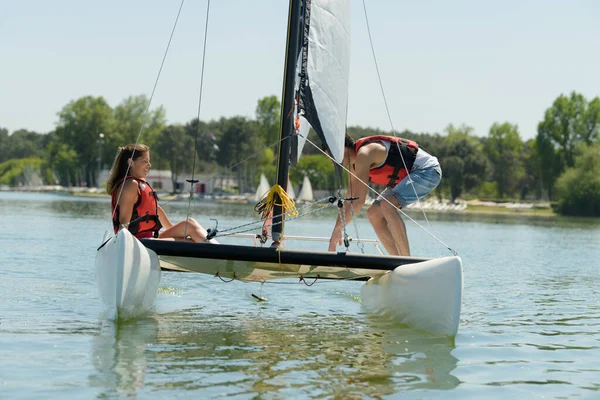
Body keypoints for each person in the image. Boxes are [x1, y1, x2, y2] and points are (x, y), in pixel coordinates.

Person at [328, 134, 441, 256]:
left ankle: (406, 260)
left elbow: (358, 201)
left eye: (330, 156)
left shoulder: (364, 154)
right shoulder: (354, 166)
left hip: (427, 171)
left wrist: (339, 228)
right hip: (407, 177)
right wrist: (336, 228)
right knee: (373, 214)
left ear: (341, 150)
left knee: (387, 205)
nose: (331, 162)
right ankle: (395, 260)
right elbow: (349, 200)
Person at [105, 144, 217, 243]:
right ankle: (219, 255)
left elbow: (156, 210)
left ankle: (217, 253)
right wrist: (123, 247)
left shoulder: (138, 184)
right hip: (138, 243)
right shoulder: (130, 184)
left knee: (191, 228)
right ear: (131, 162)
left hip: (149, 238)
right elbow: (124, 224)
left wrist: (173, 230)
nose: (149, 165)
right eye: (145, 161)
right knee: (191, 230)